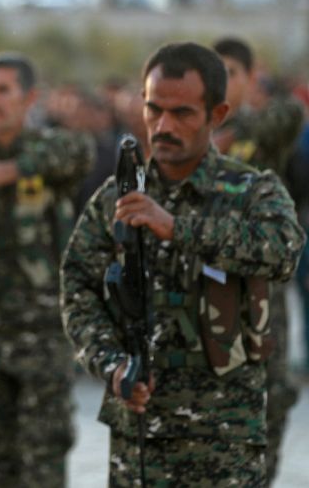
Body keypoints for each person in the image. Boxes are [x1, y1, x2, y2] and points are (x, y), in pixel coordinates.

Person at [60, 42, 306, 486]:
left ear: (217, 114)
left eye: (183, 113)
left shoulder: (251, 191)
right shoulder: (116, 198)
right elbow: (77, 288)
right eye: (154, 110)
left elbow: (283, 249)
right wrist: (111, 364)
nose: (163, 126)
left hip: (223, 443)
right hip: (138, 444)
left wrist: (178, 228)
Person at [0, 52, 94, 486]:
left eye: (3, 90)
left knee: (42, 462)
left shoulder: (48, 148)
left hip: (42, 336)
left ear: (30, 98)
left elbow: (79, 153)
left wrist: (2, 172)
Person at [212, 36, 305, 485]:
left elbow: (289, 115)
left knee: (271, 394)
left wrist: (235, 133)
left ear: (251, 78)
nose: (223, 82)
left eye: (232, 72)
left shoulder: (262, 126)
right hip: (206, 291)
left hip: (261, 292)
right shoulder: (188, 135)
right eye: (216, 73)